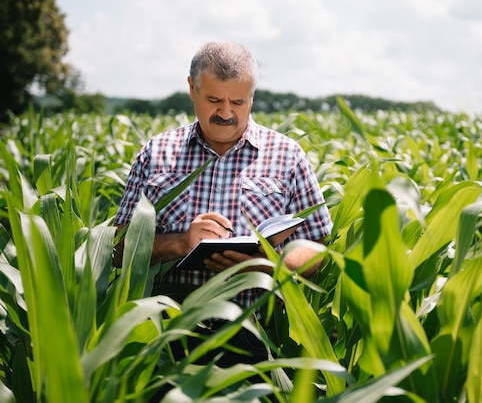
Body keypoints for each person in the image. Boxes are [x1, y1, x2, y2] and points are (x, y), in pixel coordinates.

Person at [112, 40, 333, 368]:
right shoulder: (157, 153)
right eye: (214, 100)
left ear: (252, 97)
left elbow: (317, 243)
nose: (226, 113)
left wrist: (267, 266)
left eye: (238, 102)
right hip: (164, 334)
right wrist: (181, 243)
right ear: (192, 88)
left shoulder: (287, 156)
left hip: (255, 334)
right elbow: (117, 247)